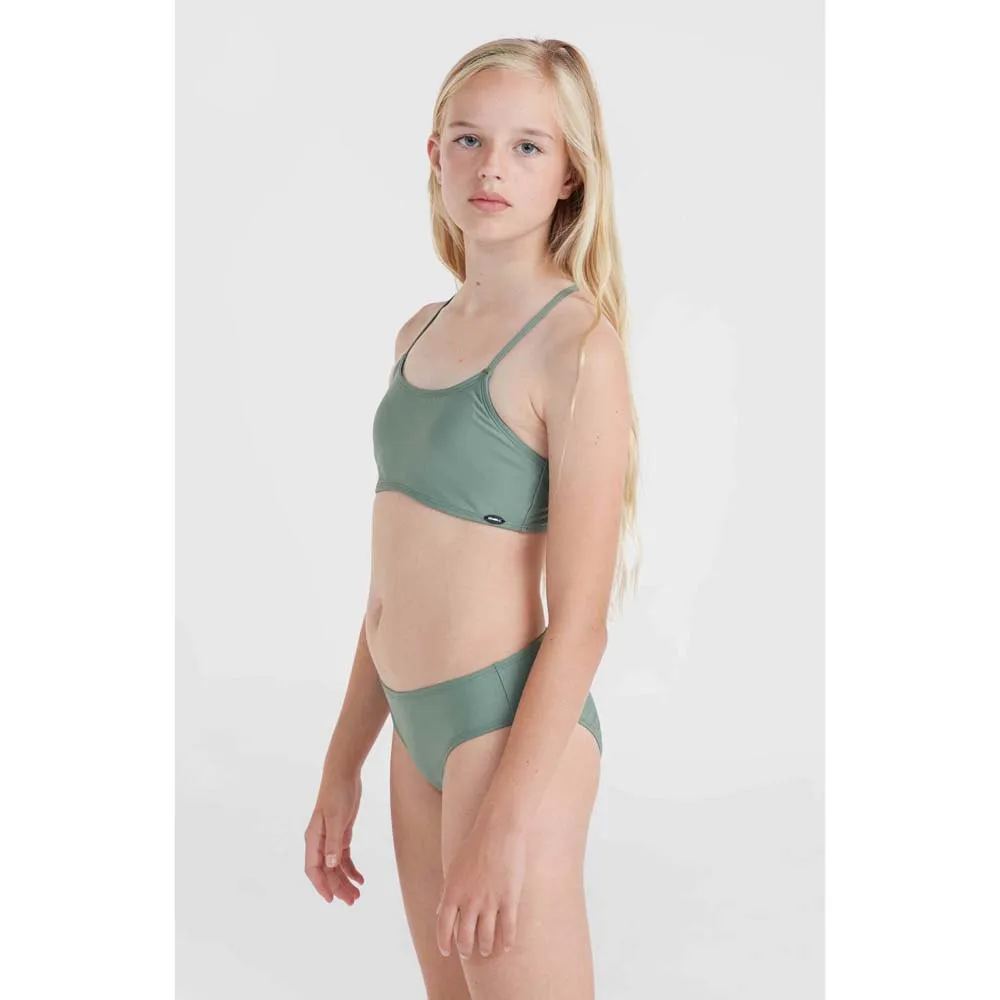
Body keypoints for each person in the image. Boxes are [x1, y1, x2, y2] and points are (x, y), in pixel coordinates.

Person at [304, 36, 641, 999]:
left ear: (570, 174)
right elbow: (390, 587)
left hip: (506, 733)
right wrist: (341, 765)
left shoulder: (577, 347)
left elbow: (582, 623)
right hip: (415, 729)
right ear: (434, 155)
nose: (492, 166)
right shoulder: (418, 333)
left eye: (528, 146)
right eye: (469, 139)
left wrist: (503, 821)